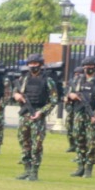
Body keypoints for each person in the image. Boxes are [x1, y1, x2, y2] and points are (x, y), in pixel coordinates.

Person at [11, 53, 57, 181]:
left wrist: (41, 112)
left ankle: (34, 171)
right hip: (24, 114)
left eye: (35, 64)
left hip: (37, 115)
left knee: (36, 144)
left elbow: (53, 100)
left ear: (41, 65)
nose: (33, 66)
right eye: (30, 64)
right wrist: (16, 96)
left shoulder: (48, 80)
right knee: (24, 141)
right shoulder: (23, 79)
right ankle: (26, 169)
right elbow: (14, 91)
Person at [65, 56, 95, 178]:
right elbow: (68, 93)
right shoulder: (78, 80)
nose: (87, 69)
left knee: (91, 142)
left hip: (92, 115)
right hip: (79, 113)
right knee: (79, 140)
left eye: (90, 66)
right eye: (85, 66)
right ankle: (80, 166)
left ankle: (88, 168)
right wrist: (70, 96)